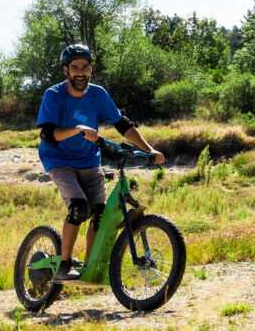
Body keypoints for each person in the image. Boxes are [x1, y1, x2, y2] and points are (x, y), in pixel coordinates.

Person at [37, 43, 165, 281]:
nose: (80, 72)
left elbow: (123, 125)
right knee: (79, 208)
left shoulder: (98, 94)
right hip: (58, 159)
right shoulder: (53, 95)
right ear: (65, 70)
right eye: (74, 67)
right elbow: (48, 134)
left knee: (99, 213)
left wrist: (149, 150)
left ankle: (89, 267)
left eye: (85, 67)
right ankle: (64, 266)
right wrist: (77, 129)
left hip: (88, 160)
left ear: (90, 70)